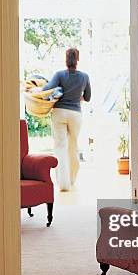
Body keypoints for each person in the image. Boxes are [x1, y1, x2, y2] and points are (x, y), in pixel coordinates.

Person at [43, 48, 91, 191]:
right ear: (77, 60)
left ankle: (63, 184)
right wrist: (76, 97)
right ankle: (72, 179)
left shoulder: (59, 75)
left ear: (66, 59)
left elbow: (47, 89)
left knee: (60, 147)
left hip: (59, 112)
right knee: (73, 147)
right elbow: (87, 97)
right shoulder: (84, 77)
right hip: (75, 114)